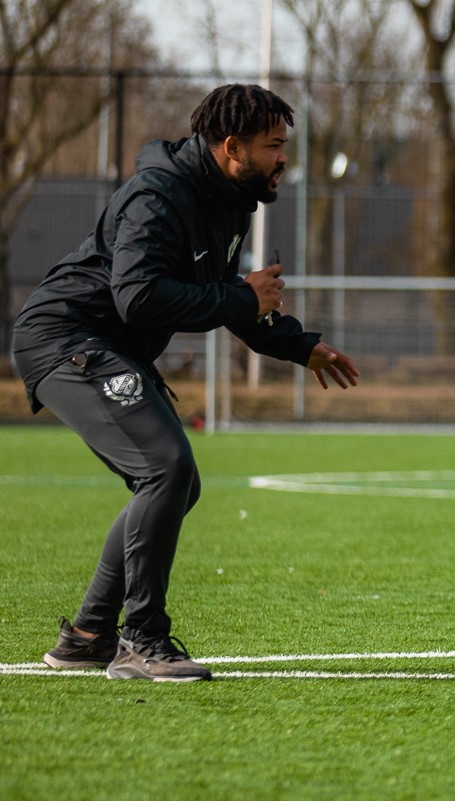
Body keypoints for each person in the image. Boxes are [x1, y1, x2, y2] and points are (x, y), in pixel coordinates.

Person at [12, 84, 360, 682]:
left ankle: (90, 634)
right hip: (65, 339)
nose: (284, 158)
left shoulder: (227, 202)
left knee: (177, 481)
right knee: (165, 468)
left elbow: (228, 303)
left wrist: (299, 345)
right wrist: (241, 293)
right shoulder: (159, 194)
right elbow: (138, 295)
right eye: (274, 146)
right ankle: (141, 641)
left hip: (107, 347)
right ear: (232, 147)